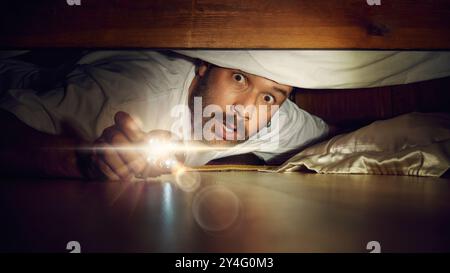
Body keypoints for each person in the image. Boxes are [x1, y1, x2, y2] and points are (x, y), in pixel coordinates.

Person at [0, 50, 328, 180]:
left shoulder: (271, 119)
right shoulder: (127, 95)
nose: (244, 112)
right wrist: (82, 161)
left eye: (269, 96)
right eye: (239, 78)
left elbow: (341, 141)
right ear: (203, 67)